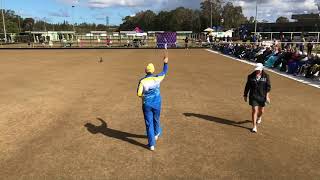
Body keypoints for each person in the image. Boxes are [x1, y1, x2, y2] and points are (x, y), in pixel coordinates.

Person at [137, 50, 169, 151]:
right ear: (153, 71)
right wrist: (165, 62)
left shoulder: (142, 81)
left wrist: (144, 97)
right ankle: (156, 133)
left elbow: (138, 93)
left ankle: (151, 144)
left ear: (146, 71)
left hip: (146, 104)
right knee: (156, 119)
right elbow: (164, 72)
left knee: (148, 123)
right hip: (157, 103)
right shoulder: (157, 78)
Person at [244, 63, 271, 133]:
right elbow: (247, 86)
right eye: (257, 70)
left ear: (262, 69)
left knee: (261, 111)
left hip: (262, 96)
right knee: (254, 110)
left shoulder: (266, 76)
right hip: (253, 96)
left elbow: (268, 87)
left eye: (259, 70)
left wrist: (267, 96)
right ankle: (254, 126)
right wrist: (245, 95)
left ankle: (259, 117)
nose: (257, 71)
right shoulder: (250, 76)